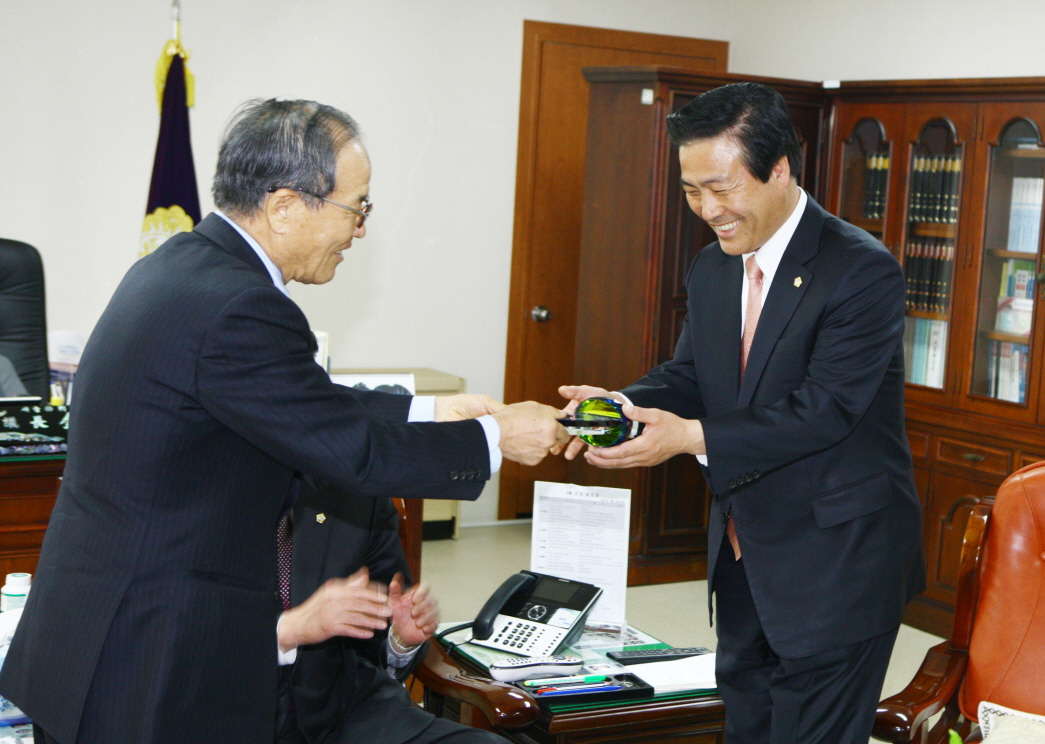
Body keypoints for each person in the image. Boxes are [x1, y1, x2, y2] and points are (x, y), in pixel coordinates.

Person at [0, 99, 566, 743]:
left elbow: (299, 400)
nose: (359, 230)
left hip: (101, 629)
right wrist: (497, 438)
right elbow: (348, 451)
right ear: (286, 206)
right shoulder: (243, 305)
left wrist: (432, 409)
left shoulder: (181, 267)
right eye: (357, 207)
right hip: (147, 647)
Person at [560, 82, 925, 744]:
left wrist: (688, 437)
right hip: (743, 550)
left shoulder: (859, 271)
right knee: (747, 722)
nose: (705, 209)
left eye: (720, 188)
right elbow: (692, 374)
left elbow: (824, 410)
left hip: (835, 559)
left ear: (779, 168)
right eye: (691, 190)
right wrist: (626, 405)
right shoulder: (712, 267)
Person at [275, 477, 505, 744]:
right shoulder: (219, 499)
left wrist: (399, 639)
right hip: (235, 715)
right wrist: (288, 630)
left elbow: (377, 632)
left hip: (350, 712)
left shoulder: (358, 495)